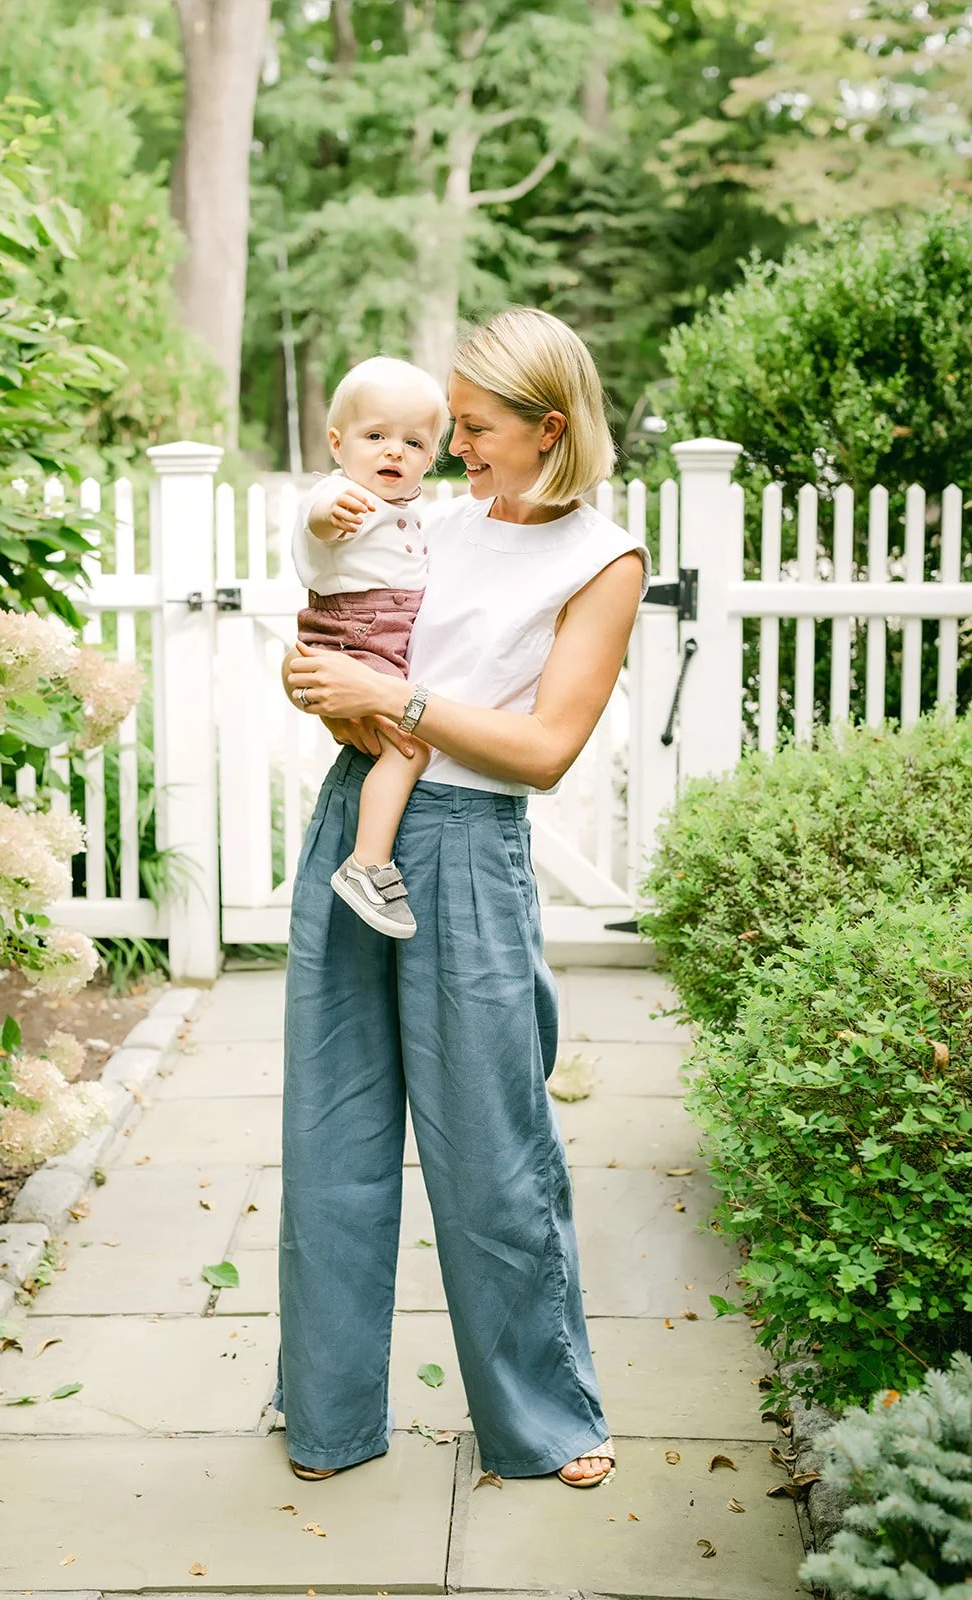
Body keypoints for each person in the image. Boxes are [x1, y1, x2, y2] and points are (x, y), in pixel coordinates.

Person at [276, 307, 651, 1490]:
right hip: (356, 817)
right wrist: (320, 686)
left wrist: (393, 696)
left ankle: (540, 1420)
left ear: (548, 428)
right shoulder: (429, 523)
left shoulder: (602, 559)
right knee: (329, 1132)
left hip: (468, 851)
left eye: (475, 429)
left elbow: (542, 749)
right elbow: (350, 643)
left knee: (491, 1149)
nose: (451, 449)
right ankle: (327, 1412)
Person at [292, 357, 447, 939]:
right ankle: (367, 865)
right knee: (409, 750)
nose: (394, 452)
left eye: (413, 442)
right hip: (354, 636)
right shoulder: (340, 495)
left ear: (430, 459)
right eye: (375, 436)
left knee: (400, 746)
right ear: (338, 443)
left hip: (378, 641)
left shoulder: (413, 511)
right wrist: (329, 514)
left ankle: (370, 859)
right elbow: (319, 522)